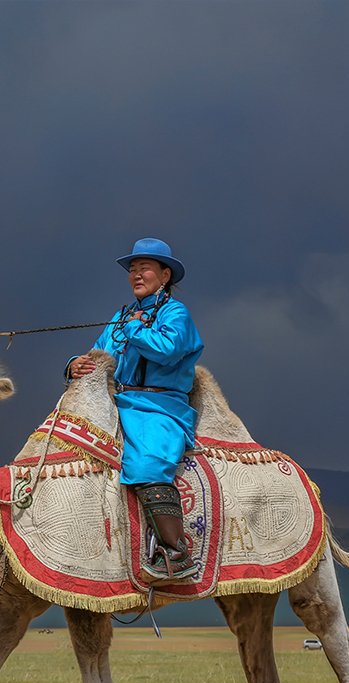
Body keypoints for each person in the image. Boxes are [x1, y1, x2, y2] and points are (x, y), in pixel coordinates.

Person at [68, 237, 203, 582]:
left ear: (165, 274)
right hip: (117, 401)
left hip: (158, 406)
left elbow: (168, 350)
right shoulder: (122, 314)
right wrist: (77, 364)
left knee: (147, 462)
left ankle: (176, 554)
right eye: (132, 269)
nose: (136, 274)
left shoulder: (176, 313)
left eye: (144, 267)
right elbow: (100, 351)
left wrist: (133, 328)